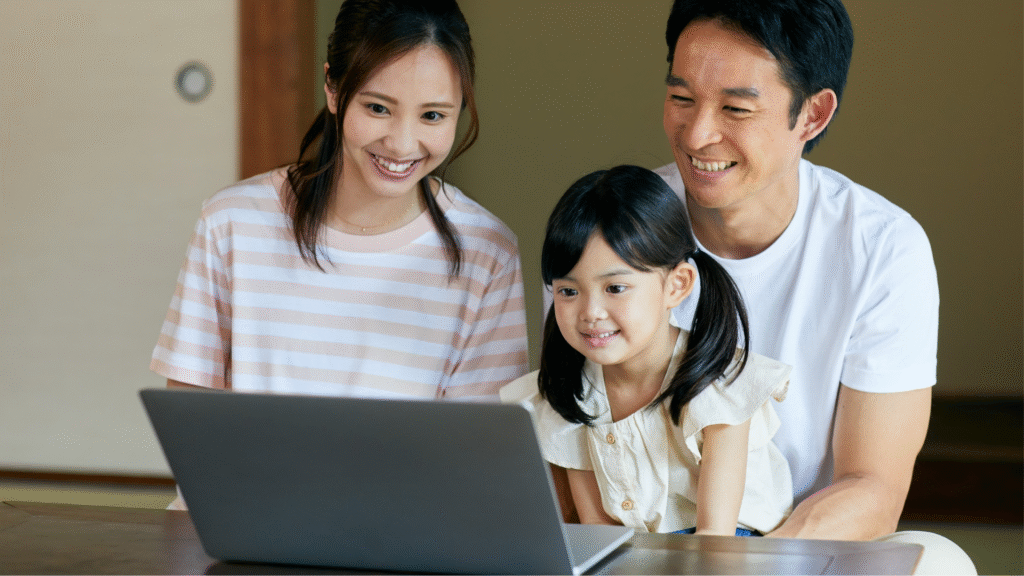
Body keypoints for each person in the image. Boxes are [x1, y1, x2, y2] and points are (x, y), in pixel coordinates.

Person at [150, 0, 529, 507]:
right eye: (377, 107)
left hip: (395, 534)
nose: (402, 143)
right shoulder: (232, 223)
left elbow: (474, 458)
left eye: (433, 115)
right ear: (333, 88)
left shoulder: (487, 252)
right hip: (236, 525)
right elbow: (192, 429)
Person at [657, 0, 974, 571]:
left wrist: (746, 564)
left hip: (801, 549)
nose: (698, 134)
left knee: (940, 562)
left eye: (735, 108)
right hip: (649, 542)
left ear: (813, 115)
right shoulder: (617, 233)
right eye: (681, 98)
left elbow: (872, 486)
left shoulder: (881, 248)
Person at [502, 165, 793, 536]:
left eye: (615, 288)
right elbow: (598, 535)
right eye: (568, 291)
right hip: (634, 554)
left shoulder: (720, 383)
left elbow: (715, 540)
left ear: (677, 285)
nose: (590, 313)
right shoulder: (567, 394)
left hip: (732, 549)